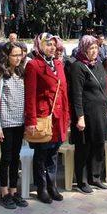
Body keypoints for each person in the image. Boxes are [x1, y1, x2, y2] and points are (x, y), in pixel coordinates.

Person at [24, 33, 70, 203]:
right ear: (39, 45)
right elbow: (30, 96)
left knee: (53, 153)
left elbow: (64, 91)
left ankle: (52, 186)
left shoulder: (58, 64)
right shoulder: (33, 65)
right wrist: (31, 120)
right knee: (42, 154)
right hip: (43, 116)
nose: (52, 48)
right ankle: (41, 187)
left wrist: (67, 115)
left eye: (53, 44)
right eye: (48, 44)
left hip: (59, 117)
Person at [0, 42, 28, 209]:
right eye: (14, 55)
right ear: (7, 57)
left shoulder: (22, 73)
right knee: (6, 158)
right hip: (6, 124)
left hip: (20, 123)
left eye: (20, 55)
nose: (18, 58)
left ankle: (13, 190)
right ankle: (4, 192)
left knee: (16, 157)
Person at [69, 35, 107, 193]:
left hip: (100, 113)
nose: (94, 51)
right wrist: (80, 116)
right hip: (86, 113)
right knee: (84, 147)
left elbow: (103, 87)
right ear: (83, 49)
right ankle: (82, 180)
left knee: (99, 145)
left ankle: (96, 177)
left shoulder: (98, 64)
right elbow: (76, 94)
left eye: (95, 48)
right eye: (90, 48)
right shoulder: (78, 66)